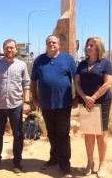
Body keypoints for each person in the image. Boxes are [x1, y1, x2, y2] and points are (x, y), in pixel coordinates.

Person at [30, 35, 78, 178]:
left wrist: (77, 97)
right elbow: (34, 81)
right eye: (49, 42)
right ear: (46, 44)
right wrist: (35, 98)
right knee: (51, 133)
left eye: (54, 42)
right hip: (46, 104)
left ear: (59, 44)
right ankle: (54, 158)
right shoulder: (39, 60)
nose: (52, 44)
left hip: (64, 104)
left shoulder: (68, 59)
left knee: (63, 135)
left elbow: (76, 79)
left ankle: (65, 166)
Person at [0, 39, 30, 174]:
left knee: (18, 135)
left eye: (11, 48)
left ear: (16, 49)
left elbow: (26, 84)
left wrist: (26, 102)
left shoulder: (22, 65)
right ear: (3, 49)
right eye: (6, 48)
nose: (9, 50)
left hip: (16, 105)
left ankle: (17, 163)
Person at [74, 37, 112, 178]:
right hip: (85, 102)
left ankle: (102, 164)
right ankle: (90, 163)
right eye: (87, 45)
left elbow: (107, 83)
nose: (88, 47)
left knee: (101, 134)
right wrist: (85, 97)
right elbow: (77, 82)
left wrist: (94, 97)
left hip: (102, 102)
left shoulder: (105, 63)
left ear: (98, 48)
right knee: (89, 133)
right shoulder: (82, 64)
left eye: (91, 45)